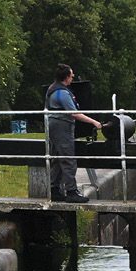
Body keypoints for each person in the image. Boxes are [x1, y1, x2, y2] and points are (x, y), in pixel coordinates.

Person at [45, 63, 102, 203]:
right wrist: (94, 122)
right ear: (66, 77)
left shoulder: (52, 89)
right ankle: (71, 191)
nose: (73, 77)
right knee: (68, 158)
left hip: (53, 125)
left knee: (57, 158)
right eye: (71, 75)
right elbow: (74, 113)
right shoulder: (62, 93)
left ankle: (54, 190)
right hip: (61, 127)